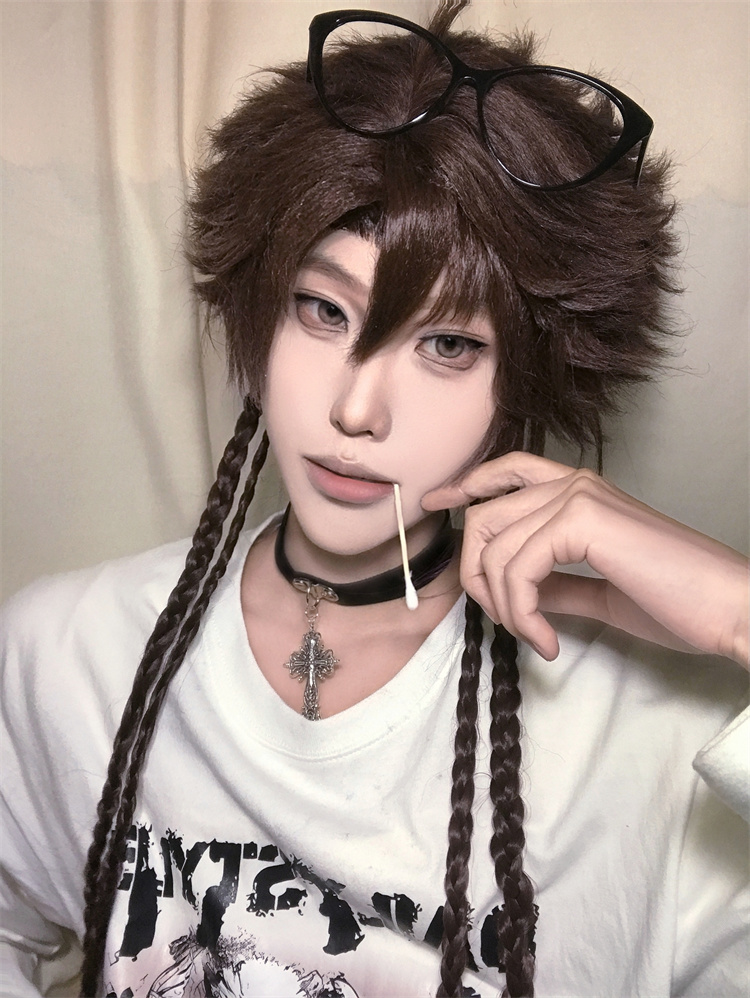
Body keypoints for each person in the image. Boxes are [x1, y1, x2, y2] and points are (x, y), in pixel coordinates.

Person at [1, 3, 747, 997]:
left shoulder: (657, 731)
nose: (357, 409)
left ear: (528, 379)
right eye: (323, 309)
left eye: (448, 344)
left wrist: (742, 615)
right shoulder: (68, 653)